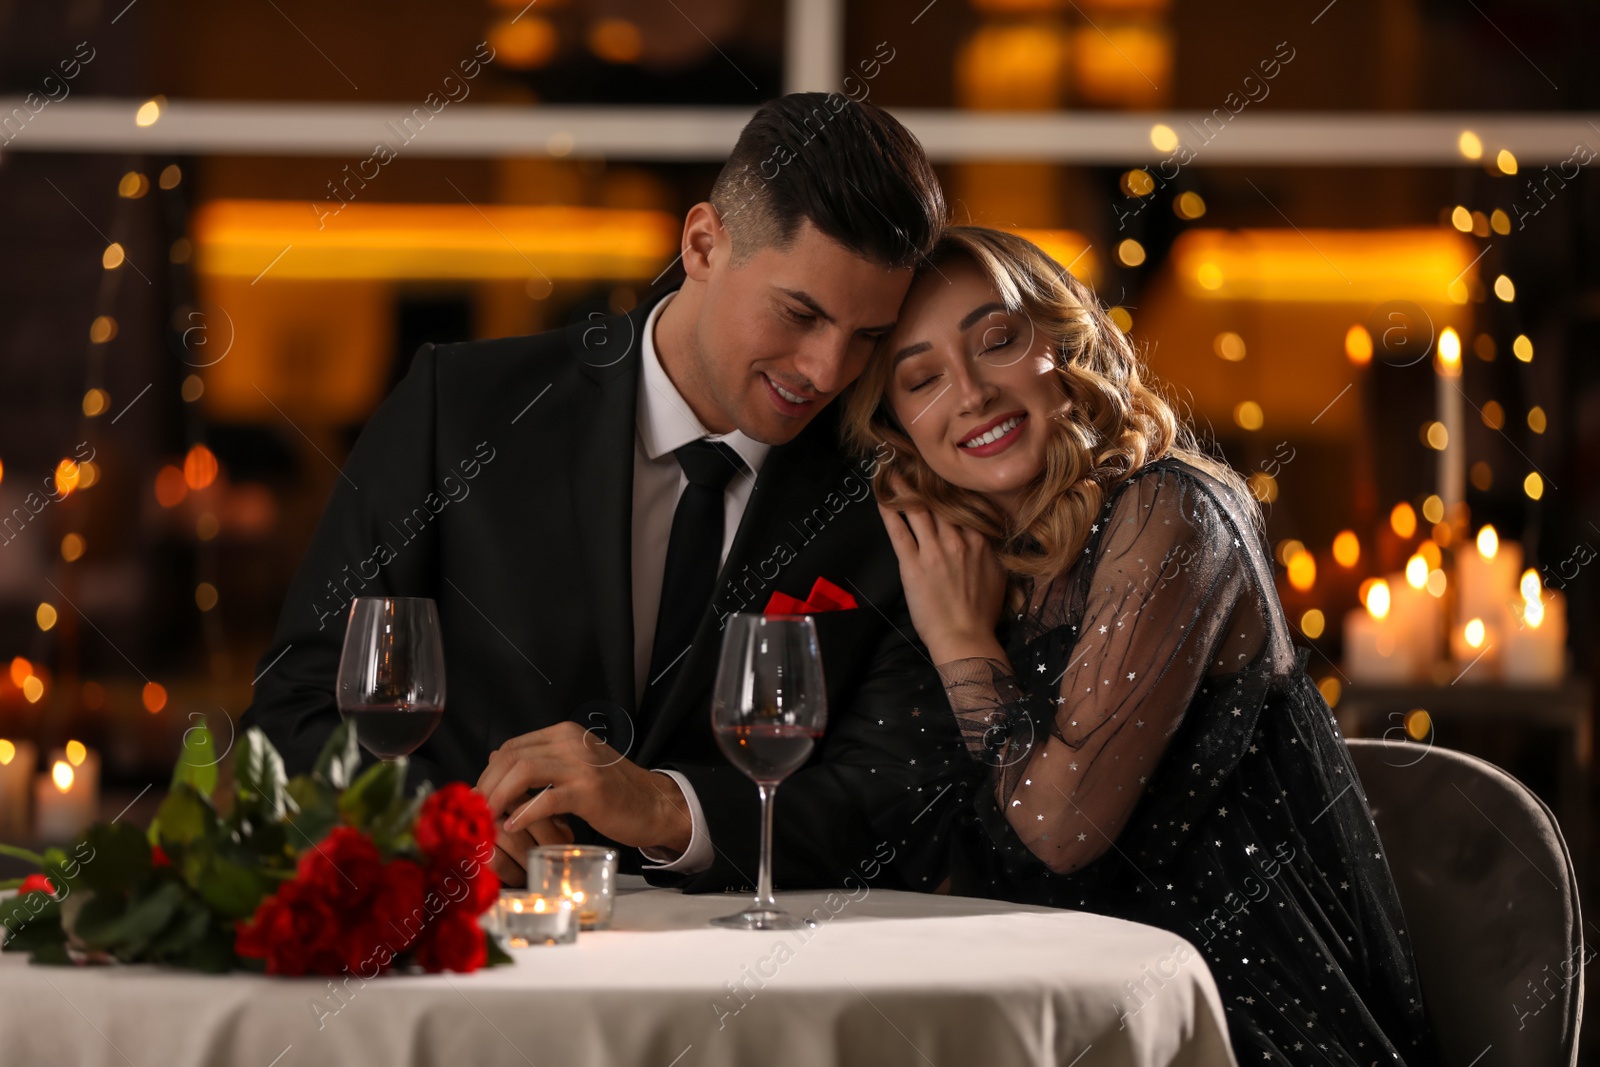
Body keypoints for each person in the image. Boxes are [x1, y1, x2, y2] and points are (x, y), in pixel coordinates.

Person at [241, 92, 957, 894]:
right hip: (472, 965)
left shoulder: (885, 489)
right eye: (799, 314)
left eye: (866, 337)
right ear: (702, 244)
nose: (827, 371)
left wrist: (671, 809)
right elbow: (292, 716)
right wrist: (435, 827)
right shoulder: (462, 407)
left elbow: (890, 802)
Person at [842, 225, 1440, 1064]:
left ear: (1062, 340)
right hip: (1064, 1025)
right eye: (923, 377)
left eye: (998, 339)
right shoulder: (972, 570)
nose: (971, 392)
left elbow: (1055, 832)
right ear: (900, 422)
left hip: (1246, 1026)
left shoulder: (1174, 514)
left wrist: (959, 643)